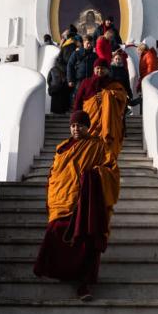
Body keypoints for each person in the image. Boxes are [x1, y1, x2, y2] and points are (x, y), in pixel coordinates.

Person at [33, 111, 120, 301]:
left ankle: (83, 283)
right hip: (61, 200)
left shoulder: (98, 146)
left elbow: (112, 171)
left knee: (86, 240)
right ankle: (59, 272)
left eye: (80, 125)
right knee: (55, 232)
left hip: (85, 202)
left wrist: (93, 176)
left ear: (87, 127)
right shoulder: (62, 147)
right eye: (73, 125)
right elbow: (55, 174)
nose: (76, 128)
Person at [78, 60, 130, 159]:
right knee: (89, 152)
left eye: (103, 68)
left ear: (108, 70)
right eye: (97, 68)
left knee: (108, 153)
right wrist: (77, 118)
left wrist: (108, 95)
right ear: (94, 69)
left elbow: (123, 97)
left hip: (110, 122)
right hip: (90, 122)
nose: (100, 70)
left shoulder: (114, 83)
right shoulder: (86, 82)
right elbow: (78, 101)